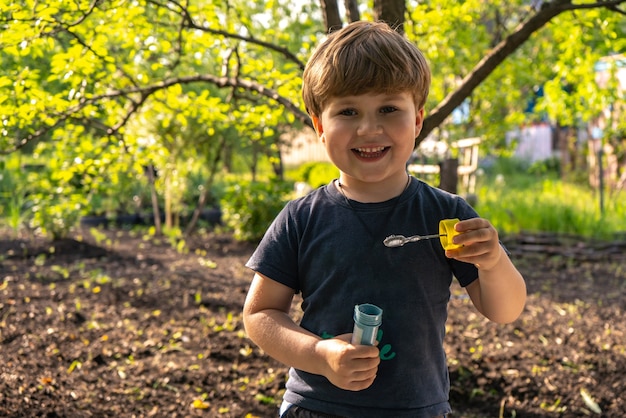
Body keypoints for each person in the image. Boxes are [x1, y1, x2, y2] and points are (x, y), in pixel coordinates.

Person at [243, 20, 527, 418]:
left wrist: (493, 261)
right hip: (318, 408)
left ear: (417, 120)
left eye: (389, 108)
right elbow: (259, 315)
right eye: (348, 111)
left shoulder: (445, 214)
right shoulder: (302, 219)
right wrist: (320, 353)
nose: (369, 127)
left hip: (417, 409)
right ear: (320, 126)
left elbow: (505, 310)